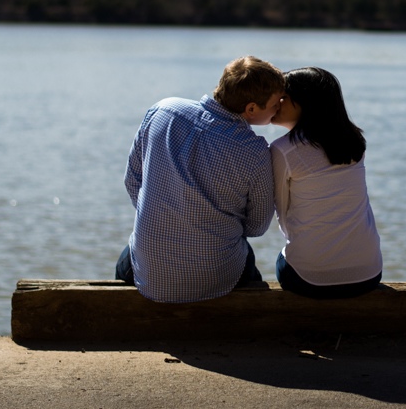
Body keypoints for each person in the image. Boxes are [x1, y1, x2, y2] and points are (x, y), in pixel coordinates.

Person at [115, 55, 285, 303]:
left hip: (150, 275)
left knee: (128, 257)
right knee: (247, 261)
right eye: (275, 104)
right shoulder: (254, 151)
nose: (279, 109)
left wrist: (167, 217)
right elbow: (257, 227)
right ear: (251, 109)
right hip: (217, 275)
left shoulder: (164, 110)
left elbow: (132, 181)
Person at [269, 67, 382, 299]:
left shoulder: (283, 150)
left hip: (309, 280)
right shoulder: (354, 142)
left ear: (304, 102)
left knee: (279, 259)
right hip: (368, 274)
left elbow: (283, 215)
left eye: (283, 97)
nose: (276, 102)